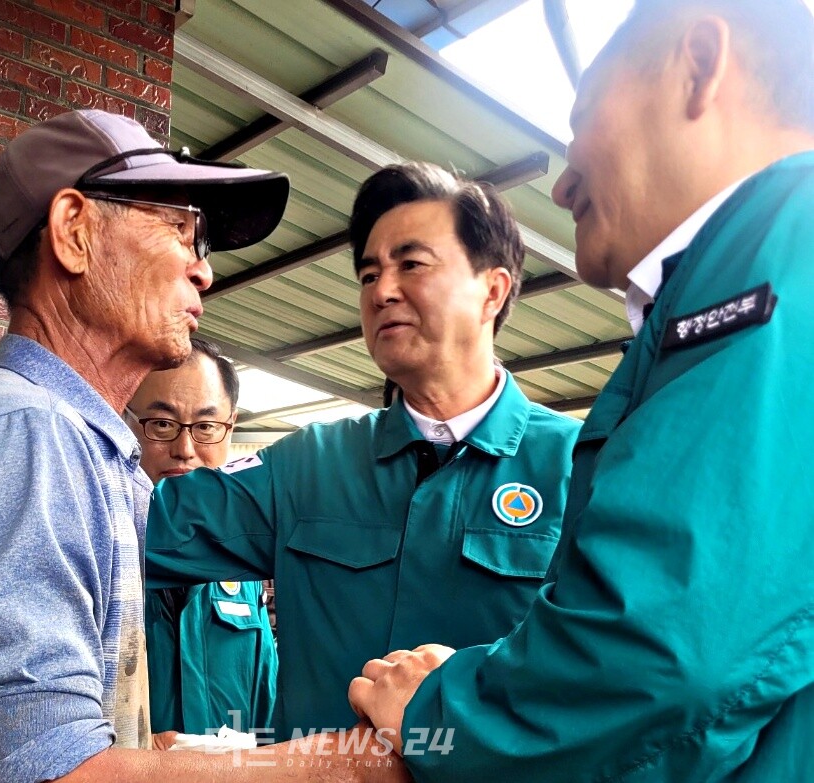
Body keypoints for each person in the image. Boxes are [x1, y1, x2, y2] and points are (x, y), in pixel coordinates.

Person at [0, 109, 407, 783]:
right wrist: (356, 766)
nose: (202, 272)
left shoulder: (74, 445)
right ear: (74, 233)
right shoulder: (22, 433)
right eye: (180, 229)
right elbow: (60, 772)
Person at [348, 1, 814, 781]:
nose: (562, 184)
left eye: (580, 120)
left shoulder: (779, 246)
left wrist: (442, 707)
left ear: (697, 68)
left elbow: (670, 647)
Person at [145, 161, 582, 741]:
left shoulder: (577, 469)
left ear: (492, 291)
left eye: (411, 264)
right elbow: (132, 526)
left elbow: (624, 678)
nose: (383, 291)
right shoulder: (309, 465)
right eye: (369, 273)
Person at [127, 338, 277, 740]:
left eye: (206, 426)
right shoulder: (97, 554)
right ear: (123, 422)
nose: (185, 449)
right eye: (161, 424)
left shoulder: (243, 564)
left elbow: (266, 706)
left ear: (231, 427)